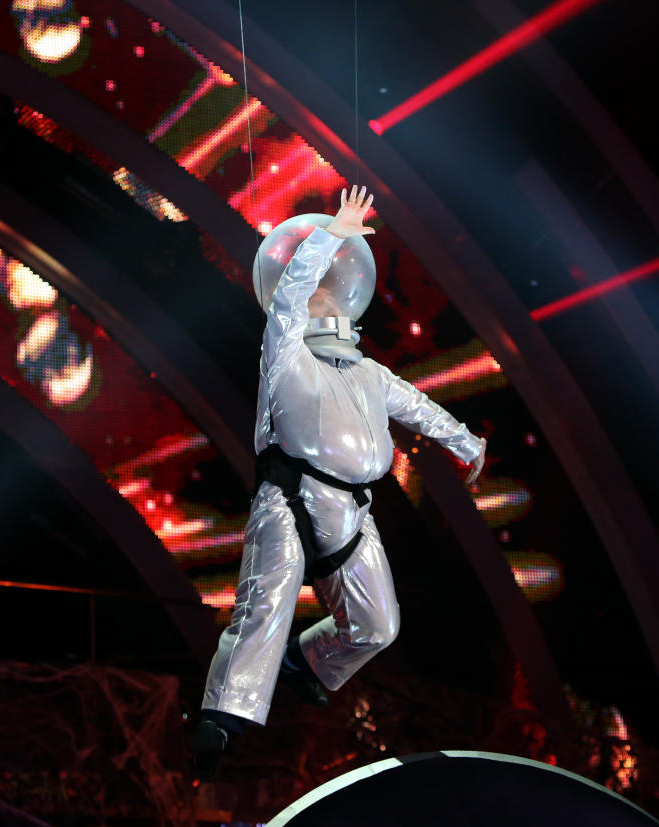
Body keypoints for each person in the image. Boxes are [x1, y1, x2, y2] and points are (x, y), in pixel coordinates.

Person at [192, 186, 486, 781]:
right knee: (264, 604)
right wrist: (332, 233)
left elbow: (420, 409)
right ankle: (219, 718)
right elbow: (290, 299)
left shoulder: (370, 373)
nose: (323, 295)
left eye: (333, 286)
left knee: (379, 625)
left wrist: (466, 443)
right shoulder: (282, 353)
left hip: (354, 511)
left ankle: (309, 663)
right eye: (313, 288)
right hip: (290, 500)